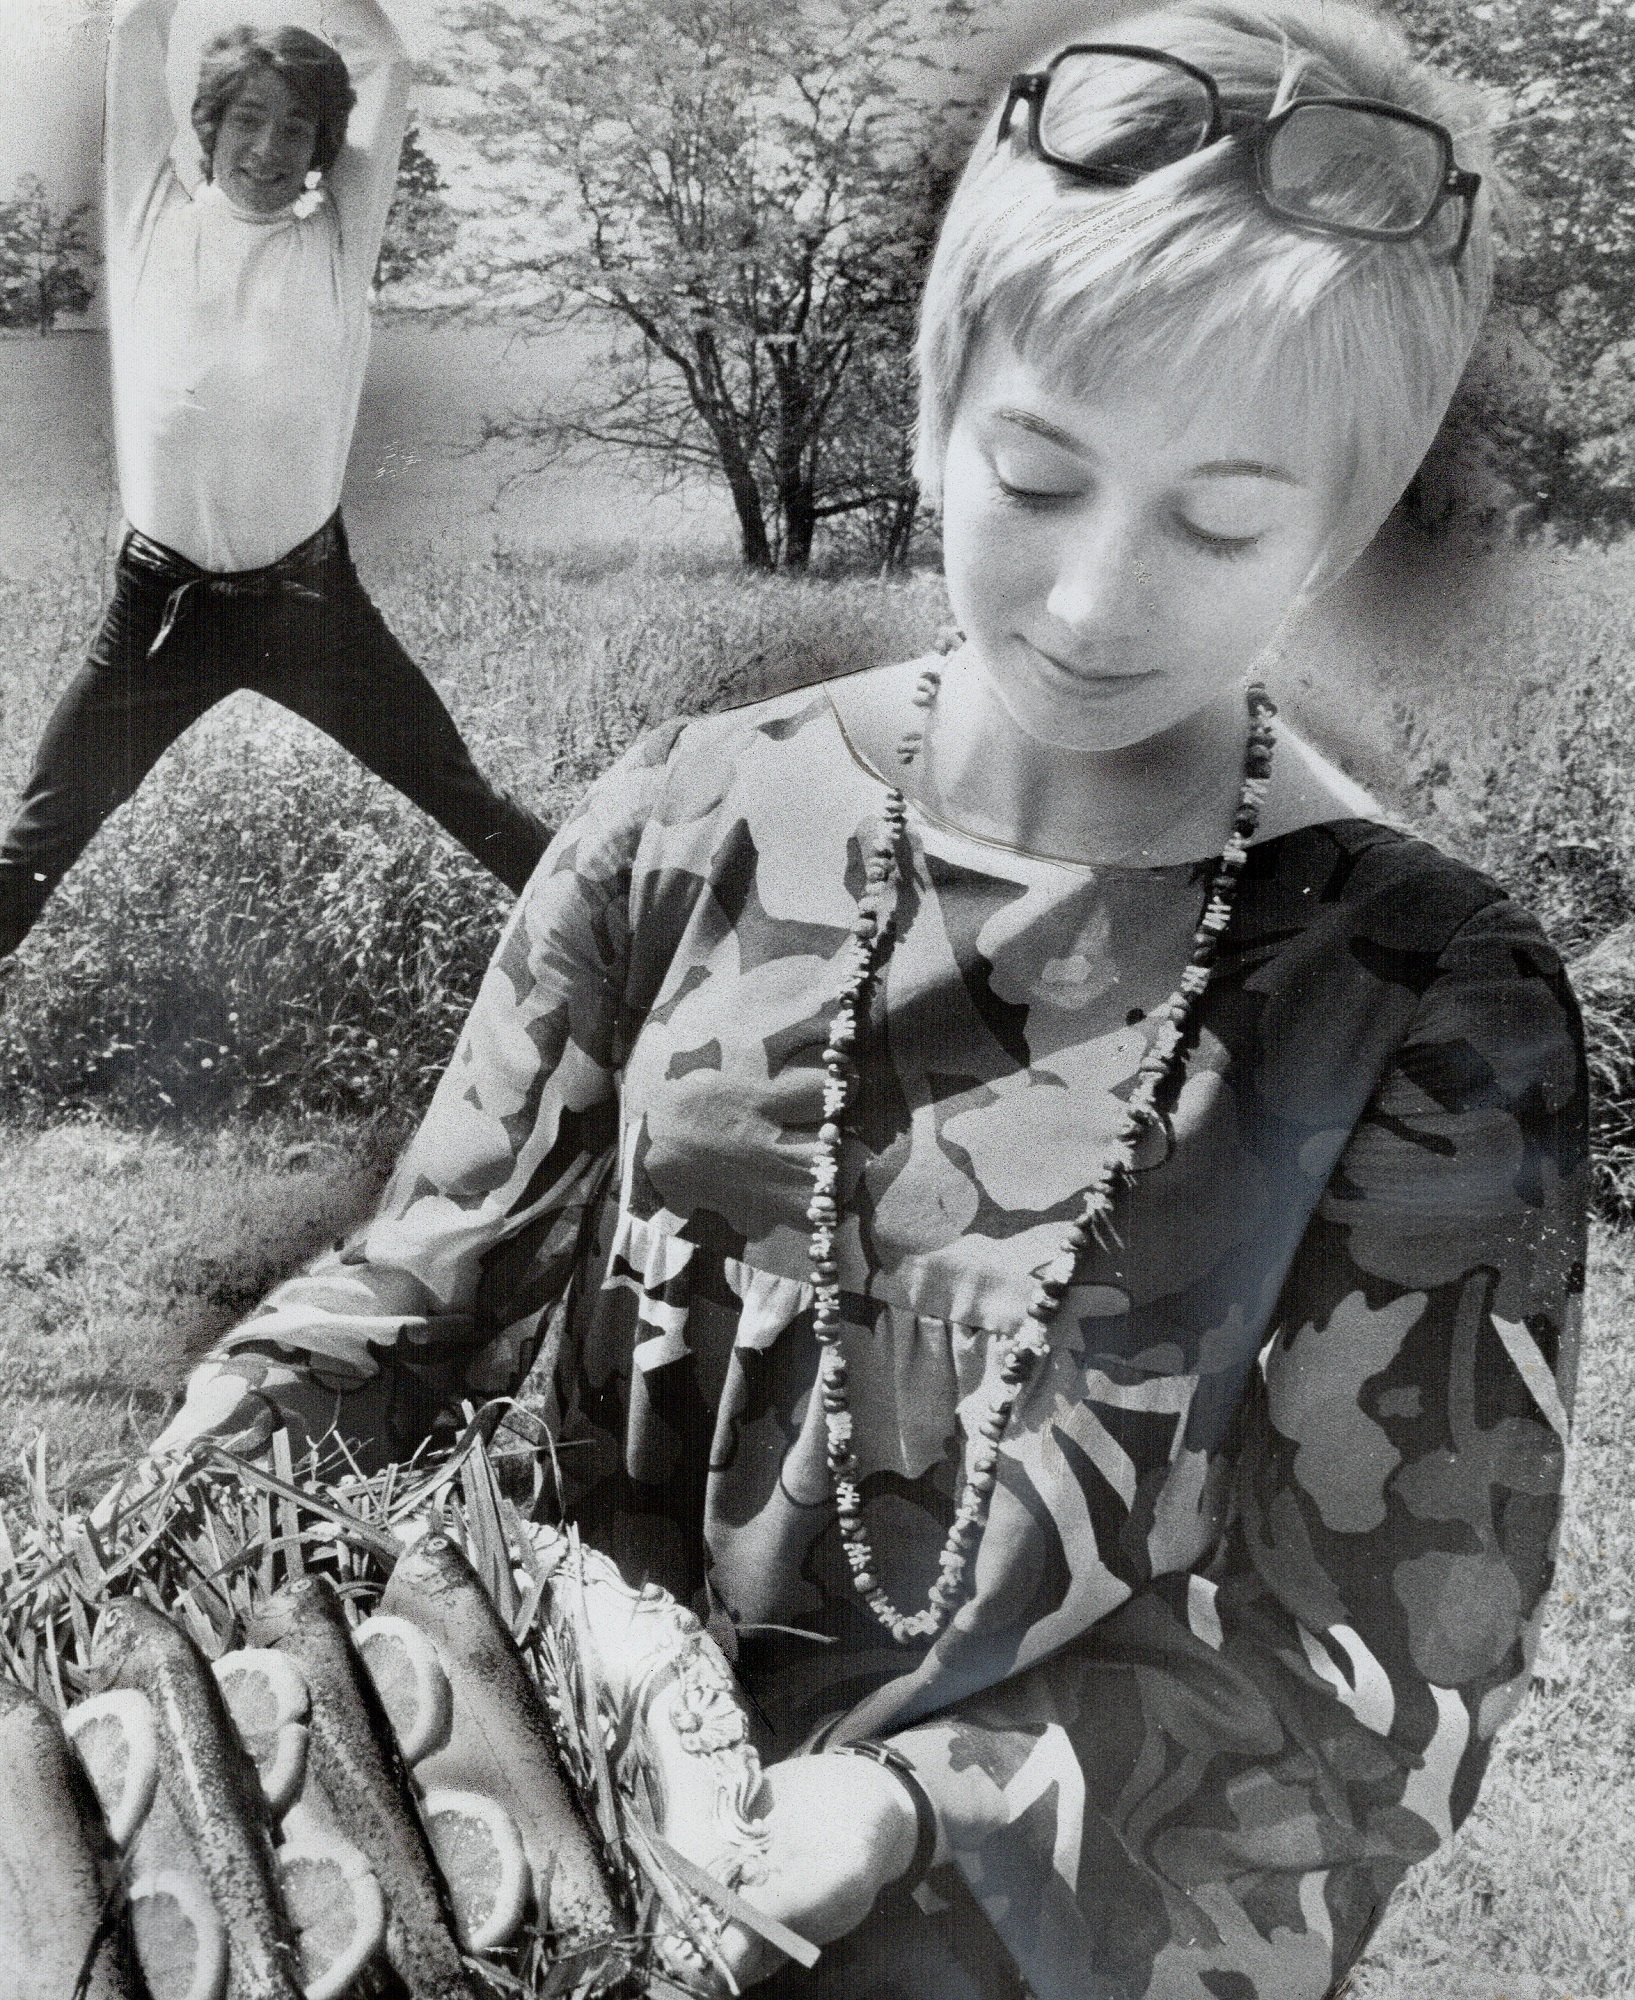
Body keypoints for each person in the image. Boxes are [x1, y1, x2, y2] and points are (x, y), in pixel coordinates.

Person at [128, 3, 1588, 1995]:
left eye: (1220, 519)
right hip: (532, 1870)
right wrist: (169, 1506)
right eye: (1036, 474)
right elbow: (414, 1286)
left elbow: (1377, 1673)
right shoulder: (689, 819)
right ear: (929, 410)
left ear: (1338, 521)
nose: (1090, 599)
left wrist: (916, 1807)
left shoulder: (1416, 995)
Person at [0, 0, 546, 964]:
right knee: (37, 845)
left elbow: (385, 56)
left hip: (313, 610)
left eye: (298, 126)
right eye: (247, 119)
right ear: (204, 128)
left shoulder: (339, 238)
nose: (270, 146)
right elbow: (136, 31)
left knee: (469, 804)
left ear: (325, 147)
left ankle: (647, 980)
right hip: (161, 611)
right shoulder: (148, 217)